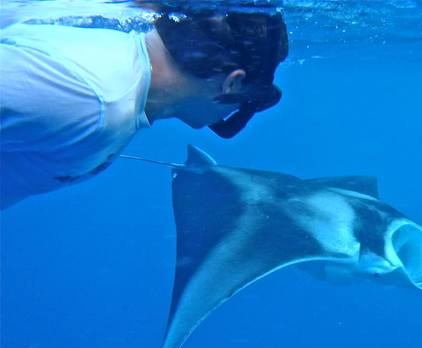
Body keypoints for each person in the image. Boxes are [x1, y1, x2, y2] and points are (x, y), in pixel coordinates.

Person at [0, 7, 288, 209]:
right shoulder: (92, 100)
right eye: (247, 103)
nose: (229, 117)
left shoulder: (118, 80)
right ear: (233, 84)